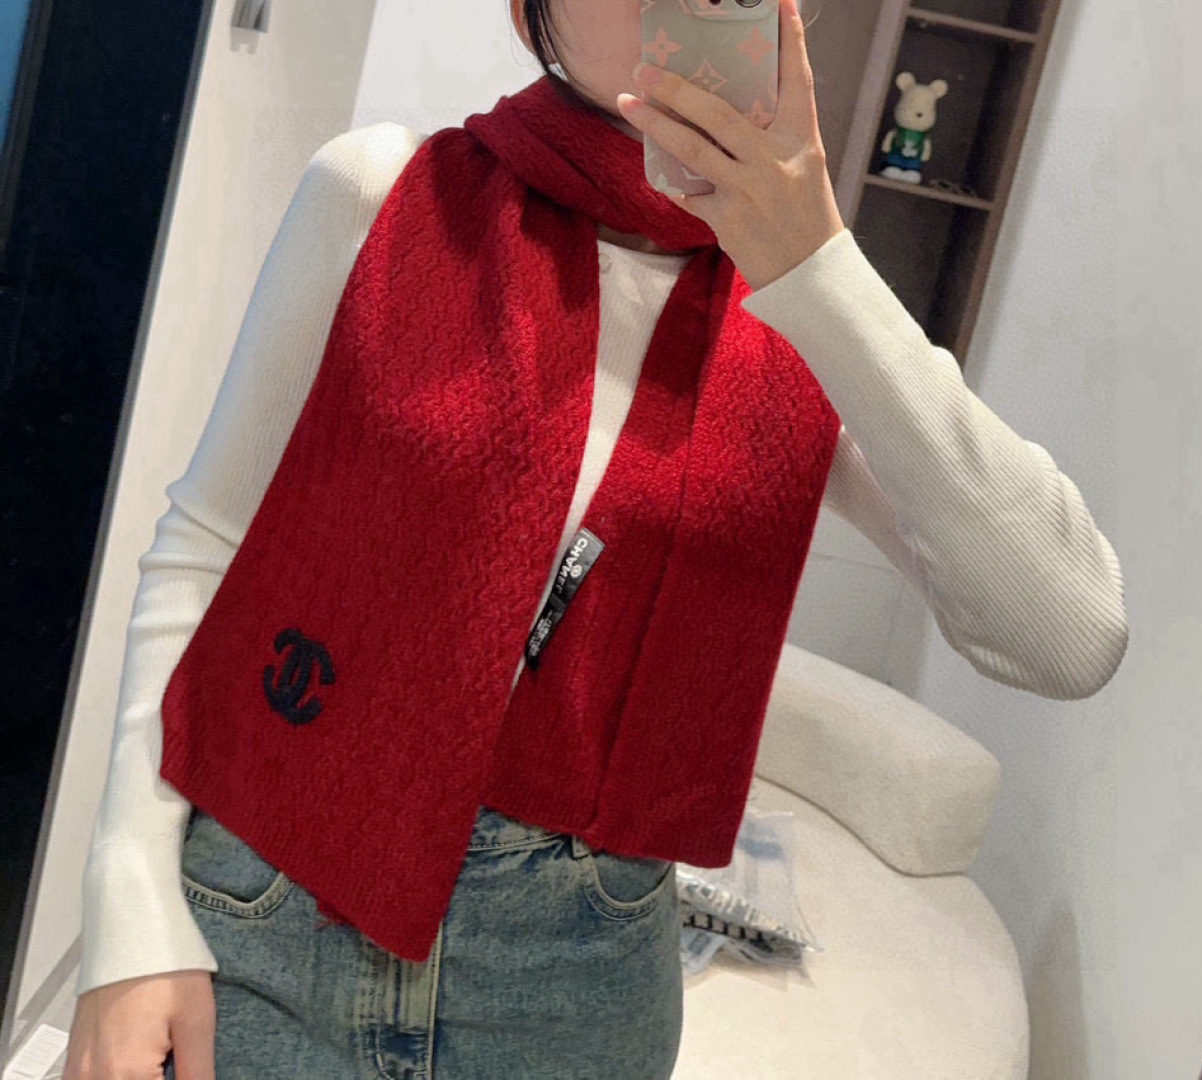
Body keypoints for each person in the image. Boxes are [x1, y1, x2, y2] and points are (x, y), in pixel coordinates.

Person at [61, 0, 1129, 1076]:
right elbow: (211, 541)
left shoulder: (808, 316)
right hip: (267, 905)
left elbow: (1071, 634)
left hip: (575, 993)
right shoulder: (380, 193)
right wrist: (128, 900)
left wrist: (817, 267)